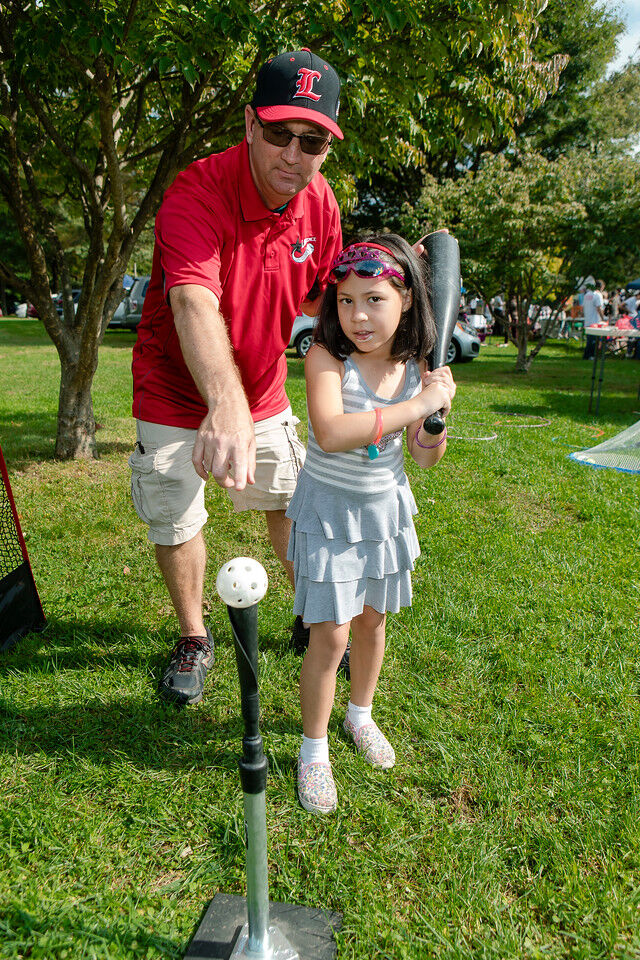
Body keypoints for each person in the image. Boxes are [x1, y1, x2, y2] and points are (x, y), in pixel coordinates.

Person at [129, 49, 344, 705]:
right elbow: (193, 299)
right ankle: (195, 634)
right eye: (279, 132)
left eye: (310, 141)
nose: (292, 153)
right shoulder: (197, 192)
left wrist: (390, 284)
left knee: (289, 505)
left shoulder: (320, 204)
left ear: (326, 149)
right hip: (174, 392)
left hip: (263, 393)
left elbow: (319, 301)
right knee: (175, 517)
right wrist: (223, 407)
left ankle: (308, 612)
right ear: (250, 124)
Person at [285, 236, 456, 814]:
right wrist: (415, 406)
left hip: (384, 515)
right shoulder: (327, 359)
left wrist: (434, 416)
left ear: (406, 300)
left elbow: (425, 457)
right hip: (330, 517)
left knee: (372, 626)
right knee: (329, 637)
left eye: (374, 299)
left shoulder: (414, 369)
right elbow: (332, 432)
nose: (358, 315)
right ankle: (313, 750)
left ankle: (360, 715)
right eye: (346, 300)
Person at [582, 279, 606, 359]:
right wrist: (603, 319)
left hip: (587, 319)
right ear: (602, 287)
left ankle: (586, 355)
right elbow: (599, 308)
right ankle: (590, 355)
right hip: (595, 320)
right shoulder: (598, 295)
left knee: (589, 339)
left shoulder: (587, 294)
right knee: (593, 340)